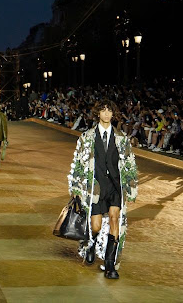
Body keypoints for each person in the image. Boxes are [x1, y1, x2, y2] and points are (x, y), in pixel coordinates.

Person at [67, 100, 138, 280]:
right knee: (96, 225)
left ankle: (109, 265)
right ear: (98, 113)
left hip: (115, 186)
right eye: (103, 111)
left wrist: (131, 186)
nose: (106, 114)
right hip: (95, 186)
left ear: (113, 114)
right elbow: (79, 162)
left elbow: (129, 162)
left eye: (109, 111)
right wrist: (76, 185)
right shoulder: (87, 136)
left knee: (115, 219)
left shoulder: (122, 138)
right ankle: (91, 244)